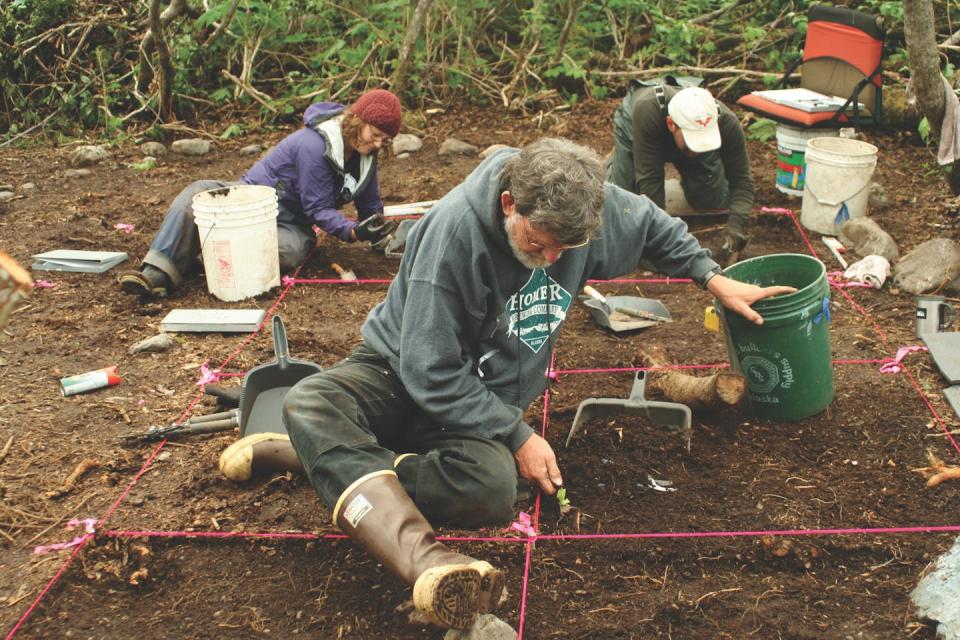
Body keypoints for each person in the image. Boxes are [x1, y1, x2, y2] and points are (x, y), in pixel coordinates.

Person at [217, 138, 794, 629]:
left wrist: (713, 279)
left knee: (491, 492)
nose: (548, 259)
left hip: (481, 397)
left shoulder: (579, 211)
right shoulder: (453, 239)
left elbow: (650, 223)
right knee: (314, 400)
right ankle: (424, 562)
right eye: (537, 242)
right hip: (398, 371)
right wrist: (516, 436)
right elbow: (429, 371)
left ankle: (319, 460)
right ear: (509, 202)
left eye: (563, 250)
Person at [118, 88, 402, 298]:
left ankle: (209, 253)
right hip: (251, 198)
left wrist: (376, 231)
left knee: (287, 253)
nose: (378, 144)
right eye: (374, 134)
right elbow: (319, 209)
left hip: (291, 222)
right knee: (196, 197)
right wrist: (352, 232)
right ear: (357, 121)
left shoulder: (365, 155)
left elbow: (369, 203)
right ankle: (156, 274)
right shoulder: (314, 146)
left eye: (385, 140)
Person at [607, 84, 755, 259]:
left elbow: (742, 181)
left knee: (713, 200)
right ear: (671, 124)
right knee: (624, 204)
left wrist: (736, 225)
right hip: (639, 127)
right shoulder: (646, 111)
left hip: (678, 139)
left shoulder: (727, 122)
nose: (698, 151)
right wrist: (658, 244)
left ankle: (693, 176)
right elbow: (650, 182)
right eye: (695, 142)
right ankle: (616, 167)